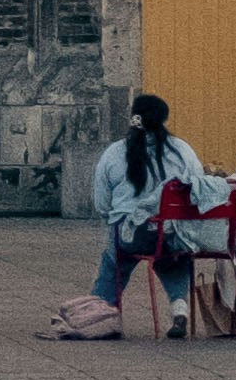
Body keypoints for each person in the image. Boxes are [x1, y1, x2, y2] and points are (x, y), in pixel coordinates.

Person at [84, 92, 210, 336]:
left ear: (134, 118)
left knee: (114, 261)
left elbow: (102, 204)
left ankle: (104, 313)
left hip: (132, 236)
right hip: (172, 233)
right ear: (164, 118)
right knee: (172, 258)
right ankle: (179, 308)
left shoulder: (114, 152)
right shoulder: (182, 150)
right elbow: (198, 185)